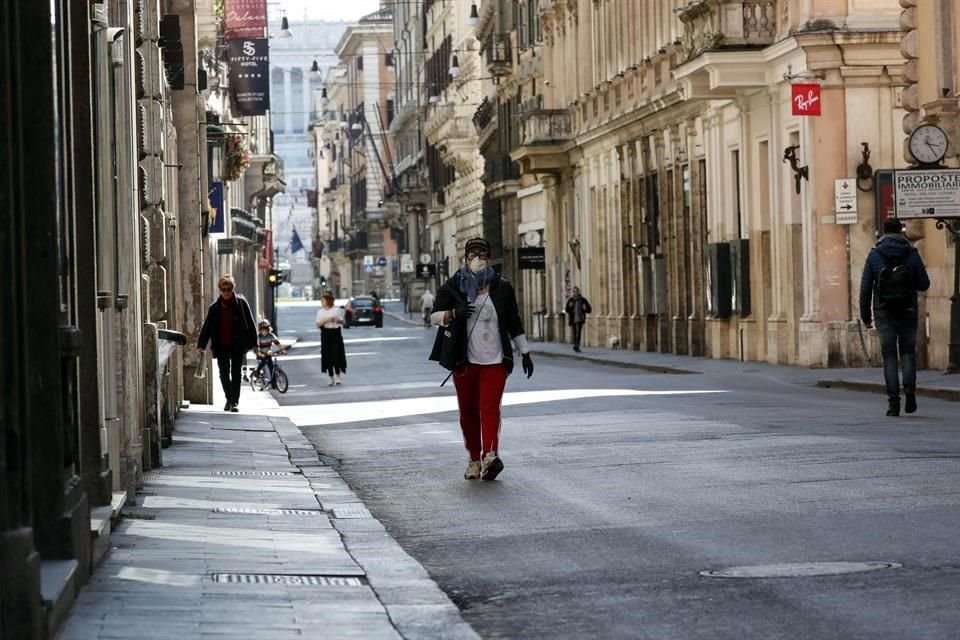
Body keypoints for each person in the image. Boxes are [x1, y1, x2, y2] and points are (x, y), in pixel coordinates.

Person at [430, 237, 534, 482]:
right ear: (465, 258)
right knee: (468, 412)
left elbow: (513, 321)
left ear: (489, 257)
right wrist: (454, 313)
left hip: (495, 360)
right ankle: (474, 459)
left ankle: (490, 455)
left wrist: (525, 352)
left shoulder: (502, 287)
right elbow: (434, 316)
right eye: (472, 254)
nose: (477, 259)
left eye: (482, 254)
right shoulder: (454, 286)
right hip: (464, 361)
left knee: (489, 409)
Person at [859, 217, 930, 417]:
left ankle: (893, 403)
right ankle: (910, 391)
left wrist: (866, 316)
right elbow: (924, 284)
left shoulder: (874, 255)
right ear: (901, 231)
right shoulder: (912, 253)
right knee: (908, 352)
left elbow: (865, 289)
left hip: (884, 311)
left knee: (889, 356)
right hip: (908, 310)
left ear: (883, 231)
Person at [197, 274, 257, 412]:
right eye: (223, 289)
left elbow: (251, 323)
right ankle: (229, 398)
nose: (226, 292)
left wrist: (254, 343)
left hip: (237, 345)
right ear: (220, 290)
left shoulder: (241, 303)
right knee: (223, 374)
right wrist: (201, 345)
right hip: (221, 345)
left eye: (229, 289)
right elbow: (207, 327)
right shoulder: (214, 308)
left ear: (232, 289)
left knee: (236, 373)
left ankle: (234, 401)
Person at [315, 291, 347, 386]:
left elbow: (342, 322)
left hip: (335, 333)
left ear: (328, 301)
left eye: (323, 300)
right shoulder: (320, 312)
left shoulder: (336, 310)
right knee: (327, 355)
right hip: (325, 333)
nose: (322, 302)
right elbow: (318, 324)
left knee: (336, 355)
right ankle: (330, 377)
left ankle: (338, 376)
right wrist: (326, 320)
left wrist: (335, 320)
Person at [253, 319, 285, 388]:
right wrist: (260, 353)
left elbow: (278, 343)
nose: (264, 332)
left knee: (272, 368)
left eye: (265, 330)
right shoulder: (259, 337)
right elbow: (257, 347)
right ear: (260, 330)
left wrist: (283, 350)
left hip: (268, 354)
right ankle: (257, 372)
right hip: (261, 354)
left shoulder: (271, 335)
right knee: (264, 361)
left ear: (268, 329)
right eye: (262, 330)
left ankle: (274, 384)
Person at [565, 286, 592, 353]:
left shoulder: (583, 300)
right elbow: (567, 310)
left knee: (578, 333)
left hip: (580, 319)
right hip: (573, 319)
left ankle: (577, 346)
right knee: (575, 333)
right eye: (574, 291)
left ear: (578, 292)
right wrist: (570, 307)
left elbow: (589, 310)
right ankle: (576, 345)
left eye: (576, 291)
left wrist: (585, 309)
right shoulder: (571, 300)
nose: (575, 293)